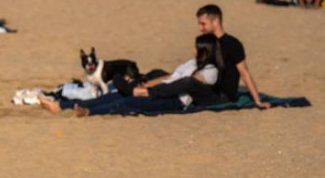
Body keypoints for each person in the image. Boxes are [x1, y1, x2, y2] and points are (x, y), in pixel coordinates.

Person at [43, 34, 223, 116]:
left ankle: (89, 112)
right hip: (161, 90)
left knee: (127, 102)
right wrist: (148, 84)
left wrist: (148, 92)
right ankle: (61, 105)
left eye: (196, 48)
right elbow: (171, 77)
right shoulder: (192, 63)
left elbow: (184, 84)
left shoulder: (210, 72)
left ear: (205, 52)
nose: (193, 50)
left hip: (174, 100)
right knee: (112, 96)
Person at [197, 4, 269, 108]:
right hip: (206, 89)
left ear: (216, 22)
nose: (200, 28)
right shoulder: (206, 43)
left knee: (187, 83)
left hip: (222, 95)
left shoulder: (232, 44)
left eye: (203, 24)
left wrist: (258, 101)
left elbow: (244, 73)